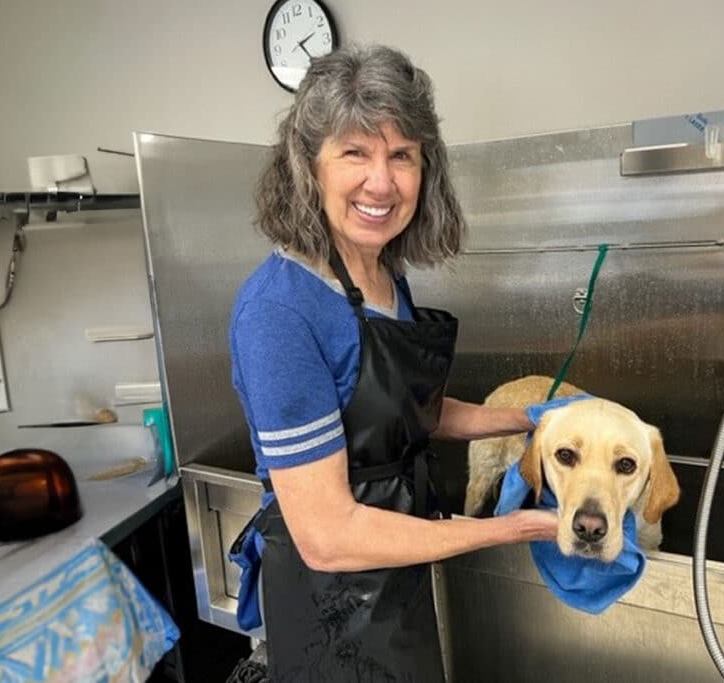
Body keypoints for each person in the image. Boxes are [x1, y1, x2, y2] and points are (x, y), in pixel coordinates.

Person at [229, 44, 562, 682]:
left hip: (399, 570)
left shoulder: (384, 275)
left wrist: (535, 417)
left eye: (401, 155)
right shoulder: (279, 313)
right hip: (330, 605)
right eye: (355, 152)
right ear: (309, 166)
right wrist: (509, 529)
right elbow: (328, 536)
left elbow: (413, 415)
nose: (382, 182)